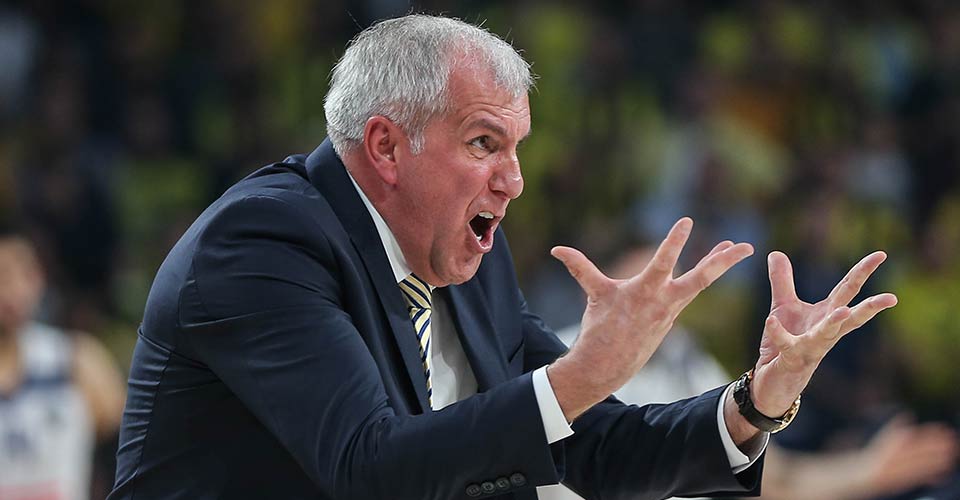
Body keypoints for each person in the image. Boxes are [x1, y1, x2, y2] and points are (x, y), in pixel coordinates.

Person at [109, 15, 897, 499]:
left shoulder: (465, 257)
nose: (514, 181)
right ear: (386, 146)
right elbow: (369, 469)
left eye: (517, 147)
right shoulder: (263, 242)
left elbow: (594, 447)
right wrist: (583, 374)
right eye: (485, 143)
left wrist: (757, 401)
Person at [536, 246, 958, 500]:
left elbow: (770, 480)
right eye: (643, 281)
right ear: (591, 288)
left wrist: (866, 470)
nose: (661, 297)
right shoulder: (558, 359)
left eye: (671, 280)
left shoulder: (687, 359)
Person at [0, 221, 126, 500]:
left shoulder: (78, 361)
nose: (14, 290)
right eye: (3, 276)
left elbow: (134, 453)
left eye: (26, 273)